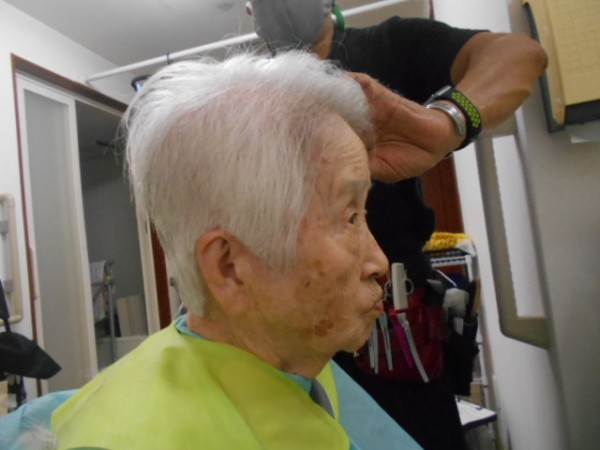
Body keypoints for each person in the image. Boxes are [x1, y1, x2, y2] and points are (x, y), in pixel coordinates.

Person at [31, 51, 432, 450]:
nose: (379, 262)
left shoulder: (298, 358)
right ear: (230, 268)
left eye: (362, 213)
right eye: (349, 218)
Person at [248, 1, 547, 449]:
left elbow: (519, 54)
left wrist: (446, 121)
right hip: (295, 339)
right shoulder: (251, 94)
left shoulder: (390, 45)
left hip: (395, 329)